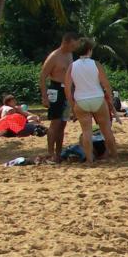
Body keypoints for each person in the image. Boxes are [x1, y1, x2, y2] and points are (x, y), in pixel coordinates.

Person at [63, 38, 118, 164]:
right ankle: (114, 155)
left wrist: (72, 105)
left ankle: (89, 159)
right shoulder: (96, 64)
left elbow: (67, 88)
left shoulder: (72, 66)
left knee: (86, 131)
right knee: (106, 130)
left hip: (81, 100)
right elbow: (106, 85)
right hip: (97, 98)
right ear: (89, 50)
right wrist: (109, 100)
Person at [39, 31, 79, 162]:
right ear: (65, 42)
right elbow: (43, 76)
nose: (74, 48)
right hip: (55, 89)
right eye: (72, 45)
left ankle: (58, 153)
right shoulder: (54, 56)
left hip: (66, 90)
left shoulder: (69, 54)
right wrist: (44, 96)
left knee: (63, 123)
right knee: (55, 122)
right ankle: (50, 152)